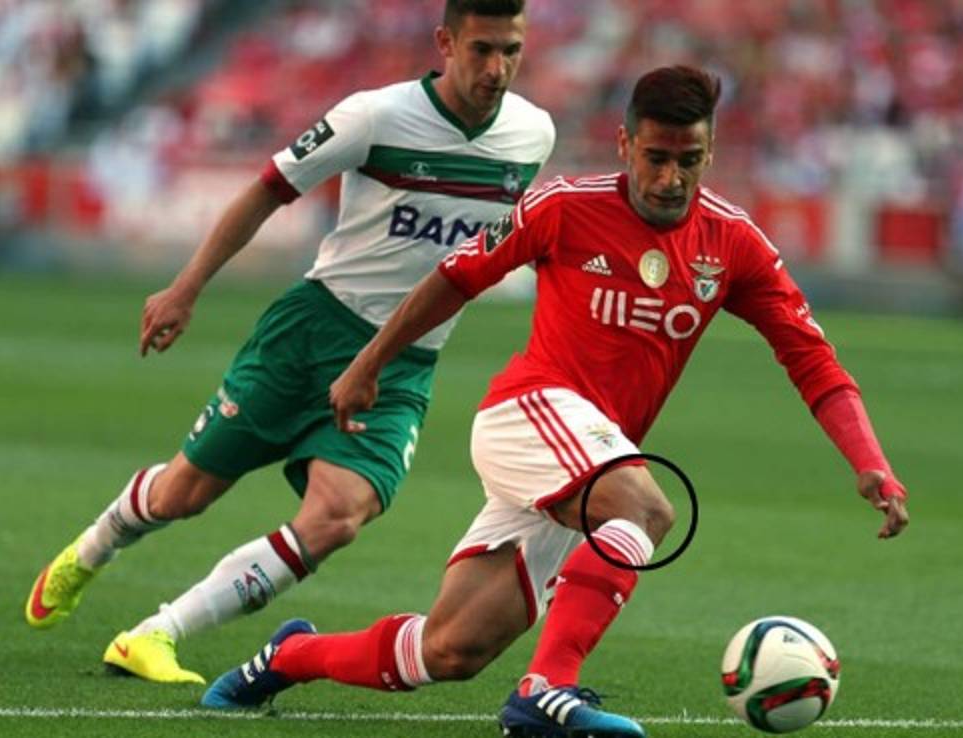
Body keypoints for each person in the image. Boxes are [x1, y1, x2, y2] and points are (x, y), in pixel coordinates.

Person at [202, 65, 910, 737]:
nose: (671, 178)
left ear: (711, 152)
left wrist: (870, 461)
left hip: (591, 458)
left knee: (450, 650)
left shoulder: (733, 243)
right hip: (529, 413)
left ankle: (288, 657)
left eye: (688, 161)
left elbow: (811, 358)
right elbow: (456, 277)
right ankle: (545, 689)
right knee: (647, 510)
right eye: (656, 158)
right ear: (625, 144)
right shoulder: (565, 206)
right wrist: (368, 364)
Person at [24, 0, 555, 685]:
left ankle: (157, 633)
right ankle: (91, 551)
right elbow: (267, 191)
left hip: (403, 361)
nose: (497, 68)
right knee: (185, 493)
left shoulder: (531, 135)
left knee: (338, 517)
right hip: (311, 333)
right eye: (482, 49)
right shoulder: (374, 116)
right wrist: (186, 287)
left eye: (511, 51)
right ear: (446, 43)